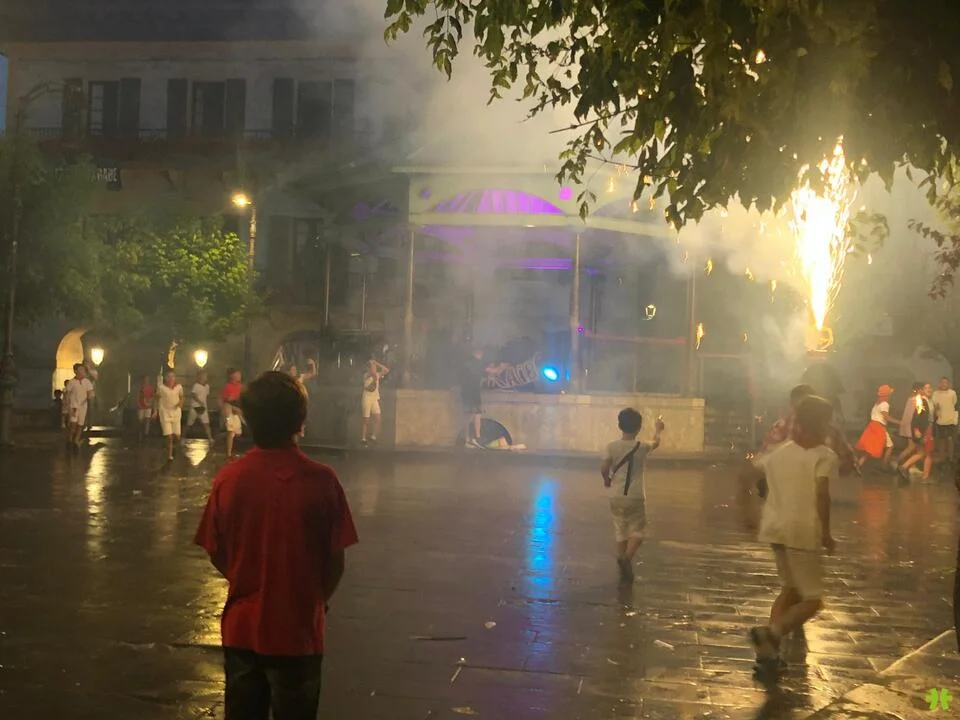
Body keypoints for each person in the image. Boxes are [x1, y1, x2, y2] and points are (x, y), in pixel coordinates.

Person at [193, 371, 358, 720]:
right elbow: (335, 559)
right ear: (300, 421)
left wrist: (244, 575)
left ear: (249, 420)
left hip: (242, 627)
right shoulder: (321, 481)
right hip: (298, 628)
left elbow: (215, 549)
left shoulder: (230, 479)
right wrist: (316, 597)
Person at [749, 395, 837, 676]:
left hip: (775, 529)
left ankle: (768, 654)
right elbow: (822, 496)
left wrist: (745, 509)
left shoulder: (780, 452)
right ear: (822, 424)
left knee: (790, 589)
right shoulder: (824, 455)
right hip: (802, 531)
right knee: (813, 599)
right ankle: (773, 633)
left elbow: (749, 473)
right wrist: (827, 533)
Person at [600, 408, 664, 584]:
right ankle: (626, 558)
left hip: (616, 495)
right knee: (638, 531)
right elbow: (655, 443)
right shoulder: (642, 447)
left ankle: (622, 563)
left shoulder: (611, 446)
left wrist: (607, 480)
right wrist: (658, 429)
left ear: (619, 425)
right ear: (639, 427)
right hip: (635, 496)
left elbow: (604, 468)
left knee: (620, 529)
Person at [855, 384, 898, 469]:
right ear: (887, 394)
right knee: (889, 446)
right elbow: (886, 417)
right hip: (879, 427)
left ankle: (859, 464)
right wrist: (899, 422)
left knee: (869, 448)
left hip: (872, 426)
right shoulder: (885, 404)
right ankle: (884, 466)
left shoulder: (877, 403)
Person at [899, 382, 934, 481]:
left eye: (930, 387)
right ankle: (924, 476)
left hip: (926, 429)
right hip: (924, 430)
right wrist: (916, 430)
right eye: (926, 388)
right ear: (921, 390)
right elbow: (917, 417)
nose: (928, 389)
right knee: (926, 453)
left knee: (922, 452)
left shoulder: (928, 401)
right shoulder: (922, 401)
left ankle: (904, 467)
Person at [64, 363, 95, 451]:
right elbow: (66, 394)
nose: (83, 371)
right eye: (81, 370)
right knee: (73, 425)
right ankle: (70, 440)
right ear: (75, 371)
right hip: (73, 406)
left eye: (83, 370)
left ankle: (76, 440)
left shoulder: (87, 382)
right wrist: (68, 406)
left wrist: (90, 396)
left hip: (83, 406)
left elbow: (90, 393)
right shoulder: (72, 382)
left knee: (80, 425)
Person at [360, 358, 389, 445]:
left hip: (374, 399)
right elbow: (372, 374)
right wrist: (372, 365)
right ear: (369, 368)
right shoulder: (366, 375)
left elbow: (386, 370)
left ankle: (373, 436)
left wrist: (376, 363)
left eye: (375, 367)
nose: (374, 369)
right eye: (373, 367)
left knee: (377, 418)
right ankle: (363, 438)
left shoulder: (377, 374)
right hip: (367, 398)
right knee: (366, 419)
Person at [157, 371, 184, 461]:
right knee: (169, 436)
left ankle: (175, 449)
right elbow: (156, 398)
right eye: (169, 376)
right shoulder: (161, 388)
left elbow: (182, 397)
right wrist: (155, 411)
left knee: (177, 436)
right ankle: (169, 454)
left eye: (173, 376)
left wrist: (180, 403)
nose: (171, 378)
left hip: (176, 413)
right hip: (165, 413)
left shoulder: (179, 387)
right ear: (166, 378)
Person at [932, 376, 958, 462]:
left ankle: (950, 459)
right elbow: (935, 406)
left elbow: (955, 404)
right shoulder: (936, 394)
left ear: (948, 384)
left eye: (945, 382)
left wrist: (955, 419)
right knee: (941, 440)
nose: (944, 384)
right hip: (940, 421)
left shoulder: (952, 393)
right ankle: (942, 459)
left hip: (951, 421)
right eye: (942, 382)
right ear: (940, 383)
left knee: (950, 440)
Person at [897, 383, 923, 465]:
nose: (922, 391)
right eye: (922, 389)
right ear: (918, 390)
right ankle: (898, 461)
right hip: (910, 426)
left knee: (913, 446)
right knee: (912, 446)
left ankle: (906, 463)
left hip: (908, 425)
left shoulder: (911, 399)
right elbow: (915, 414)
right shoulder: (916, 400)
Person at [221, 368, 244, 459]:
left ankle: (227, 444)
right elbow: (225, 401)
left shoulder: (241, 387)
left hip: (237, 412)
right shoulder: (227, 387)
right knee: (230, 431)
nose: (239, 376)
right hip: (229, 411)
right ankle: (229, 453)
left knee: (237, 433)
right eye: (237, 374)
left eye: (239, 374)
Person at [187, 371, 214, 441]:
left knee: (206, 424)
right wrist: (199, 402)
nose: (205, 377)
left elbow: (206, 396)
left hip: (203, 408)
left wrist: (205, 404)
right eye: (203, 376)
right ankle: (182, 437)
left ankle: (210, 438)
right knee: (189, 424)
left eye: (205, 376)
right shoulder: (196, 385)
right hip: (195, 407)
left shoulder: (207, 386)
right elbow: (193, 395)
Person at [136, 375, 156, 442]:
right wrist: (138, 404)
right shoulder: (140, 388)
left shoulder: (151, 388)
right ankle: (140, 432)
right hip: (141, 406)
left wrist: (150, 403)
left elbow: (153, 397)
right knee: (140, 420)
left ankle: (146, 433)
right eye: (145, 379)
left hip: (148, 406)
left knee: (147, 420)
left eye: (147, 379)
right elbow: (138, 396)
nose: (146, 380)